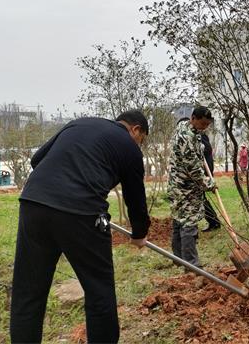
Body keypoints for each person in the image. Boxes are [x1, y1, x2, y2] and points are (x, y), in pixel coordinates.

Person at [10, 110, 151, 344]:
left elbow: (37, 159)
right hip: (82, 212)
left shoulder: (79, 124)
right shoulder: (129, 146)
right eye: (142, 139)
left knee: (28, 293)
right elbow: (136, 197)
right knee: (99, 291)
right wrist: (139, 233)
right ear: (136, 130)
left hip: (33, 204)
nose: (139, 144)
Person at [168, 105, 214, 269]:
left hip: (178, 184)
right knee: (189, 223)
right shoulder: (186, 137)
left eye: (207, 125)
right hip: (184, 187)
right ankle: (191, 265)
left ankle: (179, 258)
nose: (204, 127)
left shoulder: (188, 128)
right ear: (193, 118)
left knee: (179, 219)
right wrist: (209, 184)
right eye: (202, 124)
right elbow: (193, 169)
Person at [200, 132, 221, 232]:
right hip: (205, 172)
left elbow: (206, 152)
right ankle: (214, 221)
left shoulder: (200, 138)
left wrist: (208, 178)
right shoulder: (202, 137)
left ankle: (214, 222)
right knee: (201, 198)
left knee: (200, 199)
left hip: (203, 173)